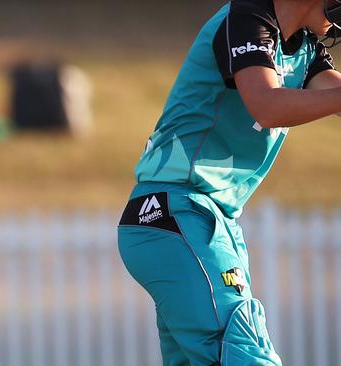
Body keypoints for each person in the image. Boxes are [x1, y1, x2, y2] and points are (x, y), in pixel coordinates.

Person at [117, 1, 341, 365]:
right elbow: (267, 105)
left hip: (202, 222)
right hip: (177, 213)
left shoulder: (303, 46)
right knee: (243, 353)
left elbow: (332, 94)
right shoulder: (246, 18)